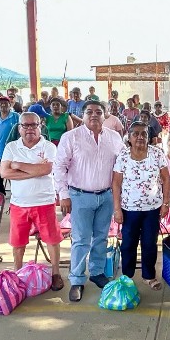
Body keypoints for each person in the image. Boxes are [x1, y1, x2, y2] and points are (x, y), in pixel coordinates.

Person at [54, 100, 124, 301]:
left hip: (106, 196)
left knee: (101, 237)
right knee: (81, 239)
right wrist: (64, 195)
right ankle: (77, 279)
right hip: (79, 196)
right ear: (83, 115)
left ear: (105, 115)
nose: (94, 115)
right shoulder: (71, 137)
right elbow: (59, 167)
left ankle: (97, 272)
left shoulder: (114, 137)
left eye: (98, 112)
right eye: (89, 112)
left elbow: (122, 164)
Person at [1, 112, 64, 291]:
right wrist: (35, 170)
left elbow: (46, 169)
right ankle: (17, 274)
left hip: (45, 202)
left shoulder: (49, 146)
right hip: (19, 204)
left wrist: (18, 166)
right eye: (25, 125)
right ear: (19, 128)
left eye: (34, 125)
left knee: (52, 239)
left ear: (40, 126)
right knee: (18, 243)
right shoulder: (11, 147)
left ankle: (56, 273)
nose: (30, 129)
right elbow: (4, 173)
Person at [112, 121, 170, 290]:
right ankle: (127, 276)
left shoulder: (157, 153)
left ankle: (149, 276)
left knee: (150, 243)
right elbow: (116, 183)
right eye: (135, 134)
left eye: (144, 133)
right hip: (129, 209)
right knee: (128, 244)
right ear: (129, 137)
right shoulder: (123, 156)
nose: (140, 137)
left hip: (152, 209)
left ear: (148, 136)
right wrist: (117, 209)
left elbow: (166, 179)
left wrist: (166, 203)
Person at [0, 95, 20, 194]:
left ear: (10, 105)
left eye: (5, 103)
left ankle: (16, 193)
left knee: (12, 173)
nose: (3, 105)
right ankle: (0, 194)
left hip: (11, 151)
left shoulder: (15, 116)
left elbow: (20, 132)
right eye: (1, 103)